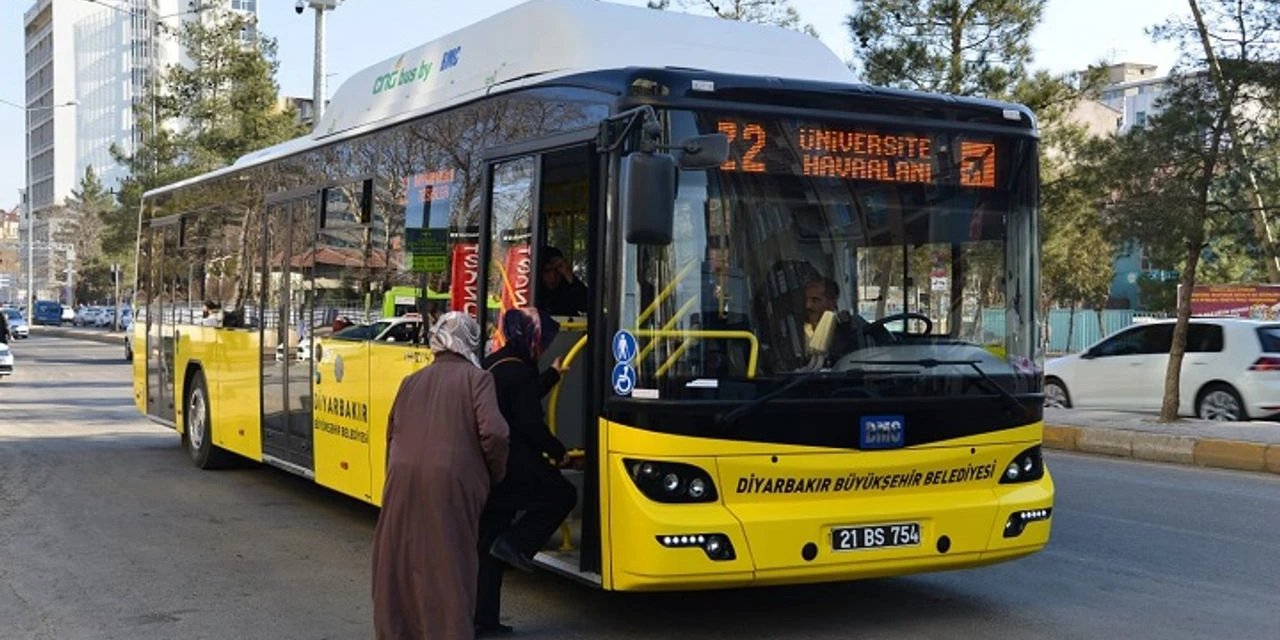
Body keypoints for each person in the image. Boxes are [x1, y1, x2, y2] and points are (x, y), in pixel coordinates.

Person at [371, 312, 510, 640]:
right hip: (452, 481)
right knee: (450, 561)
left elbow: (392, 431)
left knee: (402, 557)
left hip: (402, 478)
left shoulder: (412, 380)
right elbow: (496, 434)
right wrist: (493, 473)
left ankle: (400, 630)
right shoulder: (478, 379)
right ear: (470, 340)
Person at [475, 308, 576, 638]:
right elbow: (530, 422)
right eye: (542, 339)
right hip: (516, 464)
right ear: (530, 338)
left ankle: (483, 620)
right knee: (562, 495)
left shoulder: (495, 363)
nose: (544, 345)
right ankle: (517, 544)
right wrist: (559, 453)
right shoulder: (518, 372)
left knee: (488, 543)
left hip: (488, 466)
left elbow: (522, 397)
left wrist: (552, 376)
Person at [537, 246, 589, 316]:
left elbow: (588, 306)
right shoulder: (532, 293)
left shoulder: (568, 289)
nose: (553, 276)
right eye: (547, 271)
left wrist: (569, 276)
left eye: (557, 270)